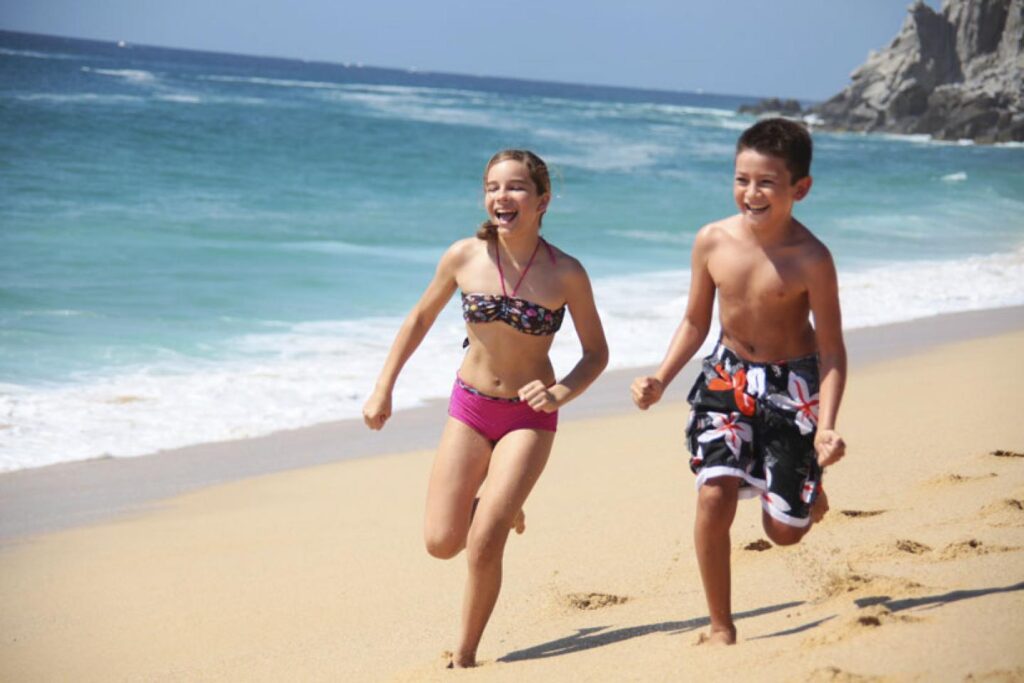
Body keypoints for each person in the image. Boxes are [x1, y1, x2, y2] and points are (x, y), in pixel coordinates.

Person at [363, 149, 608, 667]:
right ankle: (499, 501)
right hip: (470, 407)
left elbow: (596, 353)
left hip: (528, 416)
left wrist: (559, 392)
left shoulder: (566, 273)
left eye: (516, 187)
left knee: (485, 541)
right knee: (440, 542)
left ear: (542, 200)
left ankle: (467, 653)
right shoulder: (463, 256)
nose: (502, 196)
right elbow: (418, 320)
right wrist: (384, 387)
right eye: (493, 186)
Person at [630, 118, 847, 645]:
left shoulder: (812, 259)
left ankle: (806, 493)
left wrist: (827, 426)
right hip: (727, 375)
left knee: (784, 535)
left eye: (766, 182)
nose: (751, 193)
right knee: (713, 494)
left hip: (792, 387)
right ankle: (721, 625)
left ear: (800, 189)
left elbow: (834, 347)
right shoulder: (712, 240)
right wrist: (661, 377)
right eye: (741, 179)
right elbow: (694, 322)